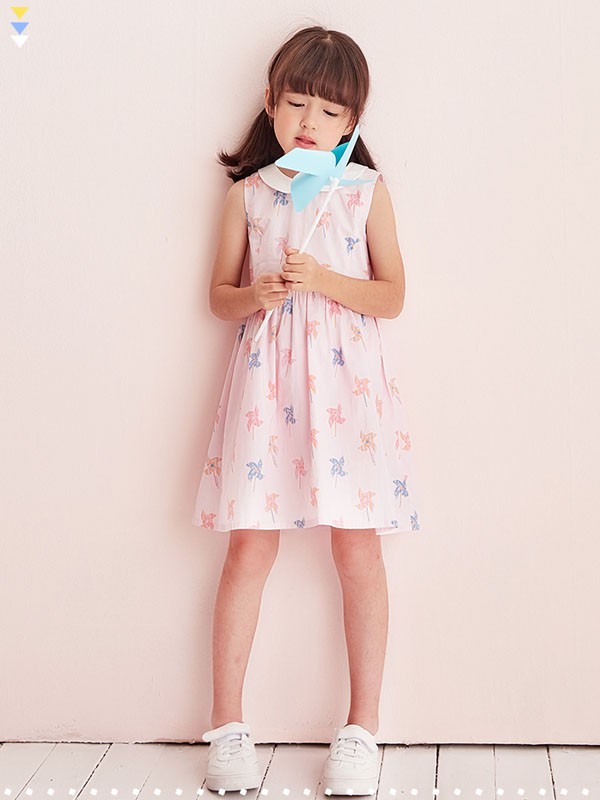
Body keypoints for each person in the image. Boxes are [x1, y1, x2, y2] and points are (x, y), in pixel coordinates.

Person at [193, 24, 422, 795]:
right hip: (268, 397)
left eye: (329, 112)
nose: (309, 122)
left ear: (351, 121)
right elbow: (218, 297)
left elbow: (391, 296)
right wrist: (255, 294)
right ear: (270, 101)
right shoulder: (249, 196)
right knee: (248, 551)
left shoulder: (365, 194)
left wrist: (323, 279)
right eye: (296, 103)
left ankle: (362, 729)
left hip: (347, 397)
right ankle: (227, 725)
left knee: (358, 552)